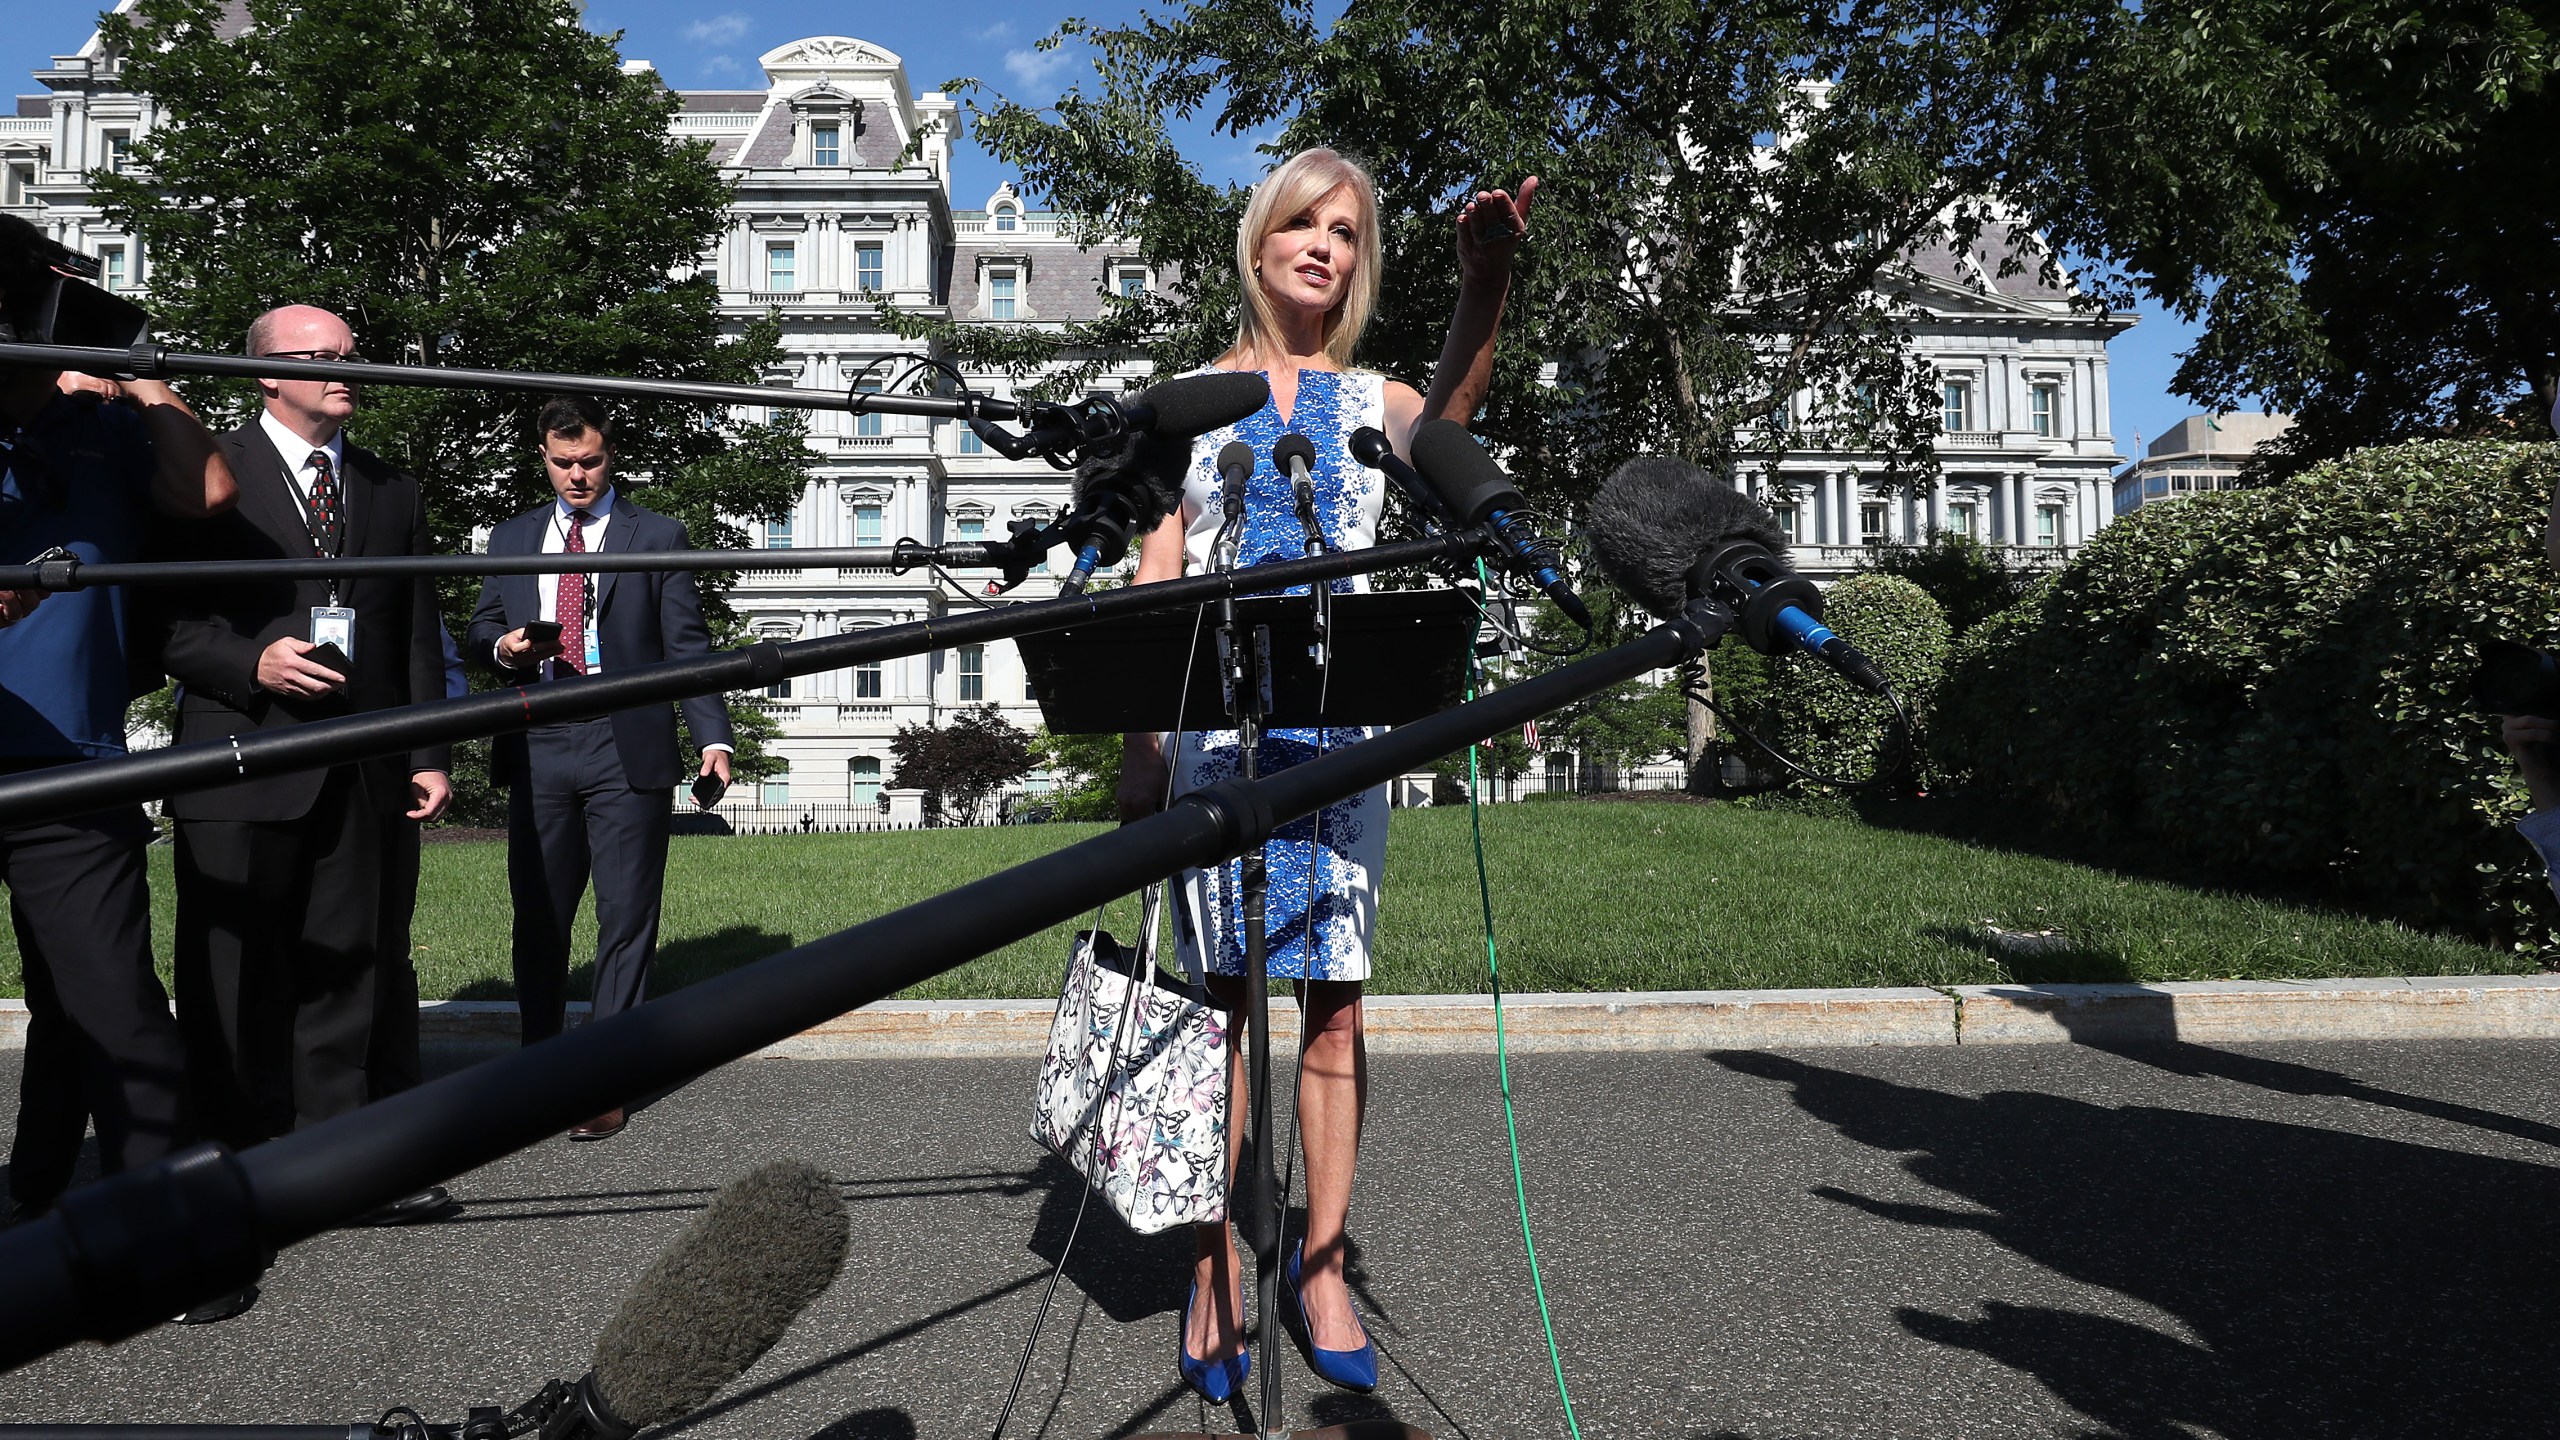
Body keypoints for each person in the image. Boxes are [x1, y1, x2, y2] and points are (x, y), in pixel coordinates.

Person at [1116, 148, 1535, 1401]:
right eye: (1303, 224)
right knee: (1222, 1008)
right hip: (1214, 738)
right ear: (1259, 241)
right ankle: (1209, 1265)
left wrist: (1484, 286)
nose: (1324, 247)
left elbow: (1448, 425)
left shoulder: (1370, 397)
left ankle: (1322, 1262)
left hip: (1340, 746)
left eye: (1346, 233)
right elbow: (1156, 569)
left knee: (1335, 1005)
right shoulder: (1185, 400)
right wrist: (1140, 744)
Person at [162, 303, 456, 1226]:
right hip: (239, 759)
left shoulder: (390, 489)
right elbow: (163, 622)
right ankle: (233, 1170)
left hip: (360, 767)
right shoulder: (209, 481)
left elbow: (413, 635)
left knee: (349, 966)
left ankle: (342, 1163)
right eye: (319, 357)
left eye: (349, 354)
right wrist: (250, 661)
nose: (343, 369)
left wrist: (428, 753)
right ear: (266, 377)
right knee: (230, 974)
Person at [0, 218, 236, 1316]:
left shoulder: (99, 423)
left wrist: (151, 384)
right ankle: (36, 1190)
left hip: (69, 759)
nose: (72, 305)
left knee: (107, 1000)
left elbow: (209, 497)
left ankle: (170, 1230)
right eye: (57, 291)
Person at [466, 395, 731, 1142]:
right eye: (562, 462)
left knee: (626, 917)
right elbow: (481, 626)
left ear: (610, 457)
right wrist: (505, 647)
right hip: (540, 738)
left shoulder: (660, 535)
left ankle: (604, 1079)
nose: (577, 476)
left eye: (590, 461)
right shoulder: (512, 536)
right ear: (542, 459)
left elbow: (689, 647)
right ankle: (538, 1071)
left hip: (629, 744)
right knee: (540, 917)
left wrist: (714, 738)